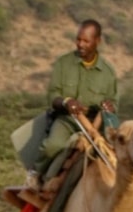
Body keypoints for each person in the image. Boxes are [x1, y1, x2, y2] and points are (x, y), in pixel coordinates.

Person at [19, 19, 119, 180]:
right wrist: (66, 102)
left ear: (97, 41)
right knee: (52, 146)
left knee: (118, 151)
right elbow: (52, 95)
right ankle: (35, 176)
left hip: (96, 123)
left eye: (86, 41)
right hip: (67, 119)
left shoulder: (108, 72)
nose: (80, 44)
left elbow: (114, 103)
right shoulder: (63, 63)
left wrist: (110, 107)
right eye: (78, 39)